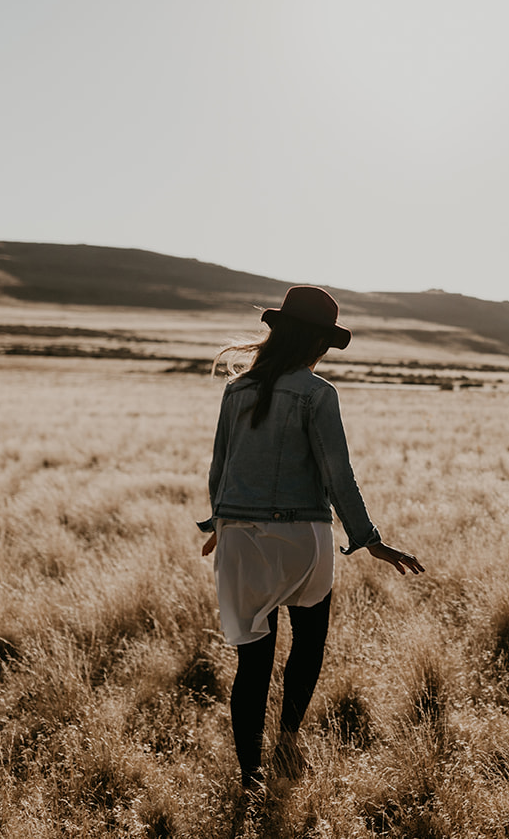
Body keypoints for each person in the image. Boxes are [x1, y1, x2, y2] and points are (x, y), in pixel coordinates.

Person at [197, 285, 423, 790]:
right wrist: (369, 539)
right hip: (302, 536)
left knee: (252, 661)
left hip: (239, 538)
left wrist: (220, 523)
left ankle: (251, 777)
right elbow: (337, 474)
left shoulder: (235, 391)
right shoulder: (318, 394)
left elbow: (221, 466)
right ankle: (287, 740)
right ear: (314, 341)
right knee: (308, 643)